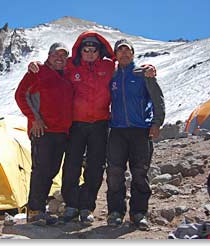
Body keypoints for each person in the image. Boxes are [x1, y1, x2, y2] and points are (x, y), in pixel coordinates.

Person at [28, 31, 116, 225]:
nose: (90, 53)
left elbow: (126, 63)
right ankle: (71, 205)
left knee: (95, 166)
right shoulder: (70, 66)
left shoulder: (109, 66)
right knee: (71, 165)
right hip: (76, 124)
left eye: (94, 50)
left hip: (100, 124)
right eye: (86, 50)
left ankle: (87, 206)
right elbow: (51, 67)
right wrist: (34, 64)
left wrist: (149, 67)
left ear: (99, 51)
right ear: (80, 51)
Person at [106, 39, 165, 231]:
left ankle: (139, 213)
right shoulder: (111, 76)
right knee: (114, 172)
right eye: (120, 50)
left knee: (140, 172)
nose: (123, 53)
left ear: (133, 53)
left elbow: (157, 98)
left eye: (127, 50)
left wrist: (156, 123)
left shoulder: (143, 74)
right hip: (117, 130)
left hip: (140, 130)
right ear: (115, 54)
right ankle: (116, 212)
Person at [15, 42, 73, 225]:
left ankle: (39, 209)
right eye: (56, 54)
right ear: (49, 55)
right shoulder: (37, 71)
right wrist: (34, 119)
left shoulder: (66, 75)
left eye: (64, 56)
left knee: (51, 170)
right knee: (41, 170)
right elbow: (20, 94)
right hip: (42, 130)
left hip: (62, 132)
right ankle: (34, 211)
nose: (60, 58)